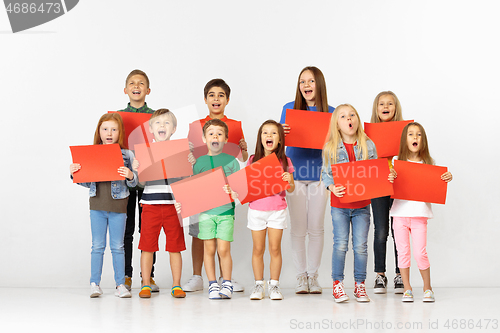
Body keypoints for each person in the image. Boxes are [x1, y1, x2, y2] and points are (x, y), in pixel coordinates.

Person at [183, 78, 247, 293]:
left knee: (221, 238)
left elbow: (240, 159)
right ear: (205, 99)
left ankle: (223, 278)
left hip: (222, 192)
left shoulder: (235, 126)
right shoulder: (194, 126)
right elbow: (187, 159)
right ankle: (197, 276)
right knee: (197, 232)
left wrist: (245, 150)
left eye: (221, 95)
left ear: (227, 100)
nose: (216, 99)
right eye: (212, 95)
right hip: (200, 187)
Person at [70, 113, 138, 298]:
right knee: (97, 246)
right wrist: (75, 173)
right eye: (105, 129)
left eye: (114, 129)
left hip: (118, 207)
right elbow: (86, 182)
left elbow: (134, 183)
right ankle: (95, 283)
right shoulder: (92, 153)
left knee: (118, 247)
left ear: (120, 132)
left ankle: (120, 285)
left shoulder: (127, 155)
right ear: (99, 132)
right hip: (97, 206)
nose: (109, 133)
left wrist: (130, 175)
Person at [279, 66, 334, 294]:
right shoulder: (289, 108)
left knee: (317, 228)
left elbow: (336, 145)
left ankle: (313, 276)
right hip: (295, 174)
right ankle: (301, 277)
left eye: (311, 81)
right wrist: (280, 132)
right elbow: (279, 142)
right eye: (302, 81)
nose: (306, 85)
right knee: (298, 229)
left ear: (318, 84)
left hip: (320, 174)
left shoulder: (331, 112)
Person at [176, 119, 240, 299]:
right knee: (209, 249)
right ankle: (212, 284)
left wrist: (232, 190)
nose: (215, 136)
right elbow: (192, 189)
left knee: (223, 250)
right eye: (211, 133)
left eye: (219, 134)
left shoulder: (232, 161)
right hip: (205, 214)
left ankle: (226, 283)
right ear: (204, 139)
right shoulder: (199, 162)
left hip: (226, 212)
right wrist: (183, 203)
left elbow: (239, 189)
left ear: (225, 139)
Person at [321, 104, 378, 303]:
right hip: (340, 205)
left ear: (357, 119)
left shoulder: (368, 145)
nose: (349, 119)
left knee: (361, 246)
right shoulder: (330, 147)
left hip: (362, 205)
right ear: (337, 124)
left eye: (352, 115)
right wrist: (331, 188)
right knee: (341, 245)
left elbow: (374, 172)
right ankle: (337, 284)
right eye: (343, 116)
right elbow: (326, 175)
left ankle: (360, 286)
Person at [389, 122, 452, 302]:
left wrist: (446, 177)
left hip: (419, 215)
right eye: (411, 134)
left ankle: (427, 287)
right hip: (399, 215)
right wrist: (391, 177)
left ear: (423, 140)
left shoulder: (429, 163)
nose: (415, 137)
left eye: (418, 135)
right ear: (404, 139)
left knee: (420, 253)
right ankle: (407, 288)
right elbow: (389, 185)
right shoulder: (396, 162)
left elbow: (437, 182)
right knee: (403, 252)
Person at [136, 109, 195, 299]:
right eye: (158, 123)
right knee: (147, 246)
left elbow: (185, 180)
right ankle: (146, 284)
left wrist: (190, 164)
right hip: (150, 205)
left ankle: (176, 285)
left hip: (172, 207)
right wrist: (138, 170)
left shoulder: (179, 151)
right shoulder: (145, 151)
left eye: (167, 123)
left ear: (174, 129)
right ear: (151, 129)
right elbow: (140, 184)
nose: (162, 126)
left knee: (175, 246)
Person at [119, 69, 158, 292]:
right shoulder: (117, 116)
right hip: (123, 179)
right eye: (132, 83)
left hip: (149, 179)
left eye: (141, 83)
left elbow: (163, 140)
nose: (137, 86)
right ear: (125, 90)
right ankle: (126, 275)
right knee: (126, 229)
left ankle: (148, 276)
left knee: (148, 229)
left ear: (148, 90)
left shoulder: (155, 116)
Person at [247, 120, 295, 300]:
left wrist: (288, 180)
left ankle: (274, 285)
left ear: (280, 140)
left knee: (275, 249)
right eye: (265, 133)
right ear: (260, 139)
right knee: (258, 249)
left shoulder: (285, 160)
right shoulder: (253, 160)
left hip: (277, 211)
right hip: (257, 211)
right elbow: (247, 187)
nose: (269, 136)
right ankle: (259, 285)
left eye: (273, 133)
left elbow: (291, 189)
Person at [369, 91, 405, 294]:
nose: (385, 107)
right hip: (378, 185)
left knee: (398, 231)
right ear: (376, 109)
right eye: (381, 104)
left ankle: (400, 274)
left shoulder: (404, 131)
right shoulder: (368, 134)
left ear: (395, 108)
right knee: (381, 231)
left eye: (390, 104)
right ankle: (380, 275)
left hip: (400, 185)